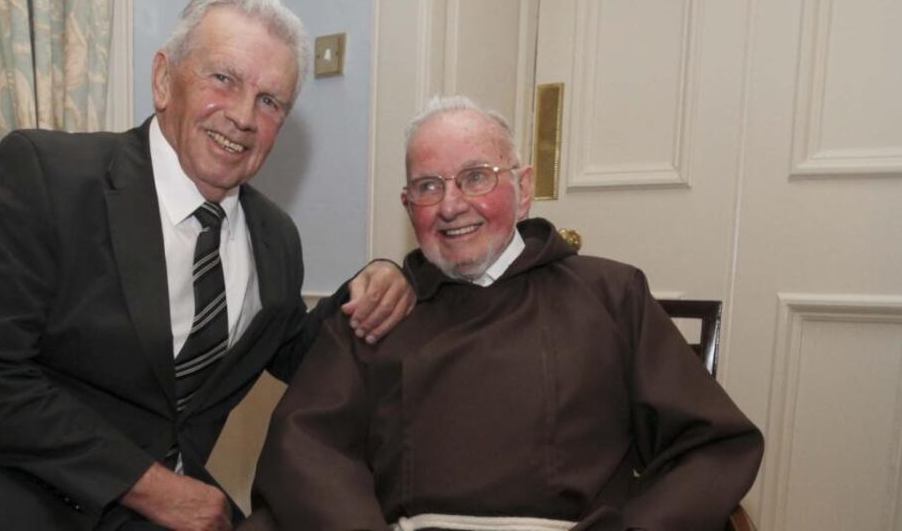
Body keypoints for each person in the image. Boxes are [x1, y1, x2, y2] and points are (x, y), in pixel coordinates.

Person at [0, 0, 414, 531]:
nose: (244, 116)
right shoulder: (48, 175)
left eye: (270, 101)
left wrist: (381, 278)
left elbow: (294, 351)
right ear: (164, 79)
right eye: (223, 79)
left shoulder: (275, 238)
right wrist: (152, 487)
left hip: (144, 512)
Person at [243, 95, 764, 531]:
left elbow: (711, 448)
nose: (451, 206)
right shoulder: (379, 310)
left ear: (524, 189)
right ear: (408, 206)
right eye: (428, 186)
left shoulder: (612, 296)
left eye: (476, 177)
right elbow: (304, 452)